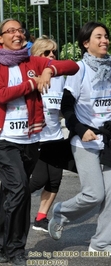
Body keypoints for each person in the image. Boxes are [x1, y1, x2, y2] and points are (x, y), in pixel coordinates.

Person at [0, 18, 79, 265]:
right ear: (0, 38)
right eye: (10, 31)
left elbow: (72, 66)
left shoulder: (33, 61)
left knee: (10, 194)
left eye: (20, 30)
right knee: (20, 189)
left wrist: (48, 70)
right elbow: (1, 94)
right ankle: (16, 248)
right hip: (2, 139)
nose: (17, 34)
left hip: (29, 139)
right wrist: (32, 83)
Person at [49, 21, 111, 254]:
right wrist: (80, 128)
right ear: (86, 43)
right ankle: (61, 212)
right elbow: (66, 107)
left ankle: (101, 243)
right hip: (85, 140)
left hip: (108, 139)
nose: (104, 40)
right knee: (94, 193)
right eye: (98, 37)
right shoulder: (78, 69)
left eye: (106, 36)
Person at [29, 36, 65, 232]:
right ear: (37, 55)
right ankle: (12, 202)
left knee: (54, 181)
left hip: (56, 136)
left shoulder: (60, 78)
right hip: (37, 138)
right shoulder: (29, 75)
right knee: (38, 180)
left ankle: (40, 218)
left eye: (54, 52)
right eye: (47, 52)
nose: (52, 55)